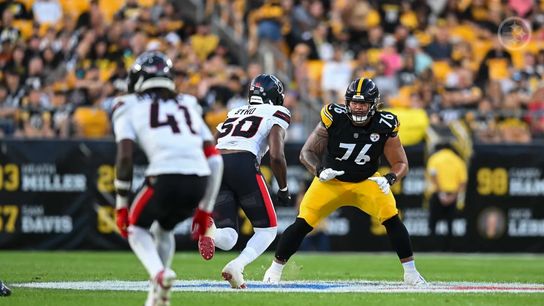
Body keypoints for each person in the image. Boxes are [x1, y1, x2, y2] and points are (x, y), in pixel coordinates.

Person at [263, 78, 427, 286]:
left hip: (367, 180)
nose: (358, 107)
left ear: (374, 104)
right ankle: (274, 270)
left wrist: (390, 177)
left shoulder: (385, 124)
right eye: (354, 102)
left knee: (392, 220)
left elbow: (401, 162)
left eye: (363, 103)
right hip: (331, 180)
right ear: (347, 102)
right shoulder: (334, 116)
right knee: (302, 224)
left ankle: (411, 273)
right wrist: (319, 170)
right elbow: (307, 152)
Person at [113, 51, 223, 306]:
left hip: (164, 176)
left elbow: (125, 157)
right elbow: (215, 159)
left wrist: (121, 202)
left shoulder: (126, 104)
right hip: (199, 179)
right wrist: (205, 210)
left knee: (136, 228)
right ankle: (157, 297)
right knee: (163, 229)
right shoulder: (187, 102)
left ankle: (159, 274)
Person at [198, 74, 291, 289]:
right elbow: (276, 155)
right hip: (243, 160)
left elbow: (213, 143)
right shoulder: (278, 112)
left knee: (228, 237)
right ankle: (237, 265)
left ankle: (212, 231)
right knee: (267, 230)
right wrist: (284, 188)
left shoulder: (235, 112)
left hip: (217, 163)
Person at [426, 141, 467, 251]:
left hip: (437, 194)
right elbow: (463, 182)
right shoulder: (458, 160)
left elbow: (433, 176)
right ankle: (448, 249)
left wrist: (440, 193)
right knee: (450, 223)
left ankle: (432, 248)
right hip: (452, 195)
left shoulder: (435, 158)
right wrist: (453, 196)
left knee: (433, 223)